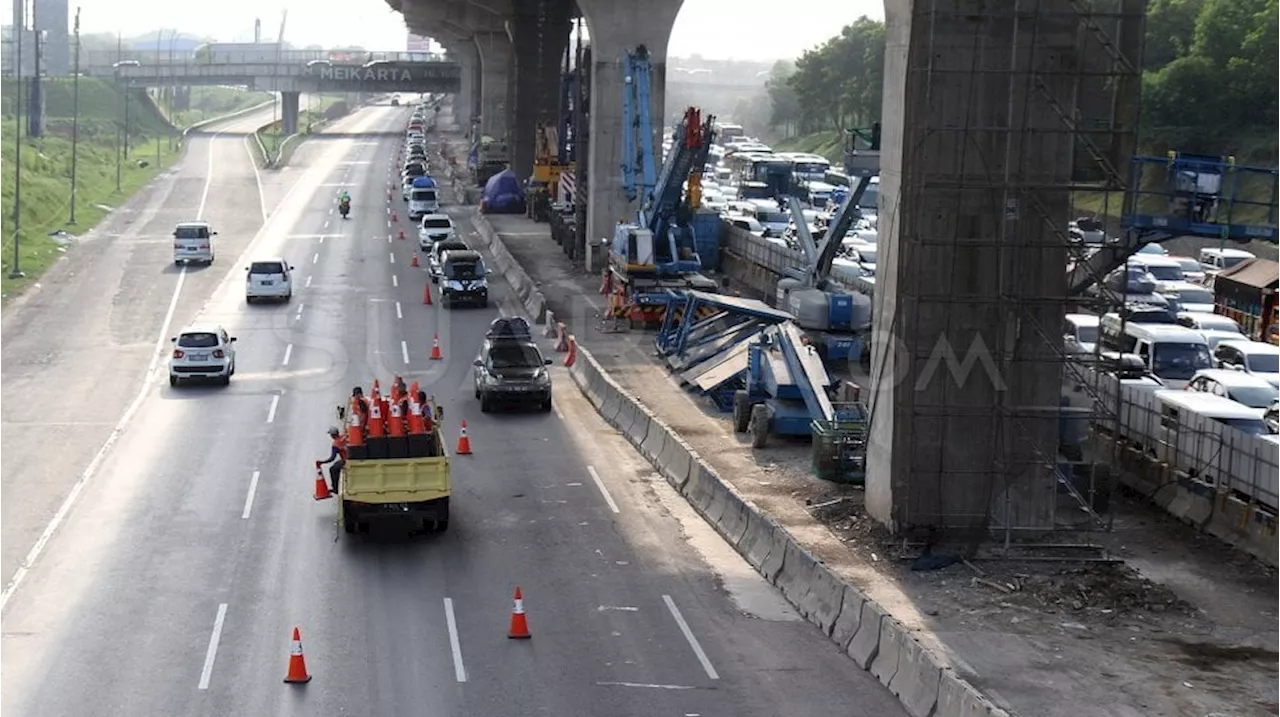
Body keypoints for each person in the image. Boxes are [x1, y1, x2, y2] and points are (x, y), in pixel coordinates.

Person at [318, 426, 348, 495]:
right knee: (336, 464)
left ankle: (335, 489)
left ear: (332, 435)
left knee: (332, 469)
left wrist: (322, 462)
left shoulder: (335, 445)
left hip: (346, 460)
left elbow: (332, 458)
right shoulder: (344, 436)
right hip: (352, 457)